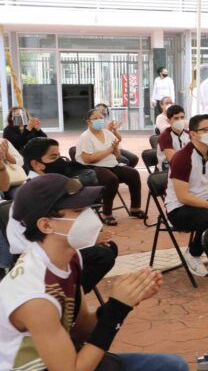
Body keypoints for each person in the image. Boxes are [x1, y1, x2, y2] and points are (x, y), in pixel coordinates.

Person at [0, 174, 193, 371]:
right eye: (78, 211)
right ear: (46, 225)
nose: (90, 217)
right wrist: (117, 309)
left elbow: (82, 329)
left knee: (174, 368)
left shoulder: (71, 260)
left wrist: (124, 299)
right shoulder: (35, 297)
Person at [15, 137, 119, 292]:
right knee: (102, 255)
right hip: (42, 254)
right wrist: (87, 241)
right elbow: (43, 236)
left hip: (58, 242)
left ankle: (73, 292)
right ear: (36, 164)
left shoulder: (54, 184)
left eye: (59, 155)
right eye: (54, 157)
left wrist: (90, 237)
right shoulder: (34, 192)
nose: (61, 162)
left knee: (109, 248)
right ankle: (66, 295)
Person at [165, 114, 208, 277]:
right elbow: (183, 197)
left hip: (204, 204)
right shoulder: (182, 157)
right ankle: (194, 254)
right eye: (205, 129)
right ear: (193, 134)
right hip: (179, 209)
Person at [75, 108, 145, 226]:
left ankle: (135, 208)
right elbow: (88, 159)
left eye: (101, 118)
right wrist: (109, 150)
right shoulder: (85, 137)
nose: (99, 120)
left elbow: (117, 155)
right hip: (93, 168)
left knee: (133, 174)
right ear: (88, 121)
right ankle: (107, 214)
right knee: (111, 179)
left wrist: (115, 148)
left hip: (111, 164)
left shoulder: (107, 133)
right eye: (95, 118)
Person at [94, 103, 139, 168]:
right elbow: (102, 141)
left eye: (104, 110)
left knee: (134, 158)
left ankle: (127, 173)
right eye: (99, 110)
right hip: (106, 149)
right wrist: (109, 130)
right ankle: (122, 174)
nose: (102, 112)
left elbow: (119, 139)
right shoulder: (96, 124)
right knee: (125, 161)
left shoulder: (108, 122)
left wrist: (115, 130)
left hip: (116, 148)